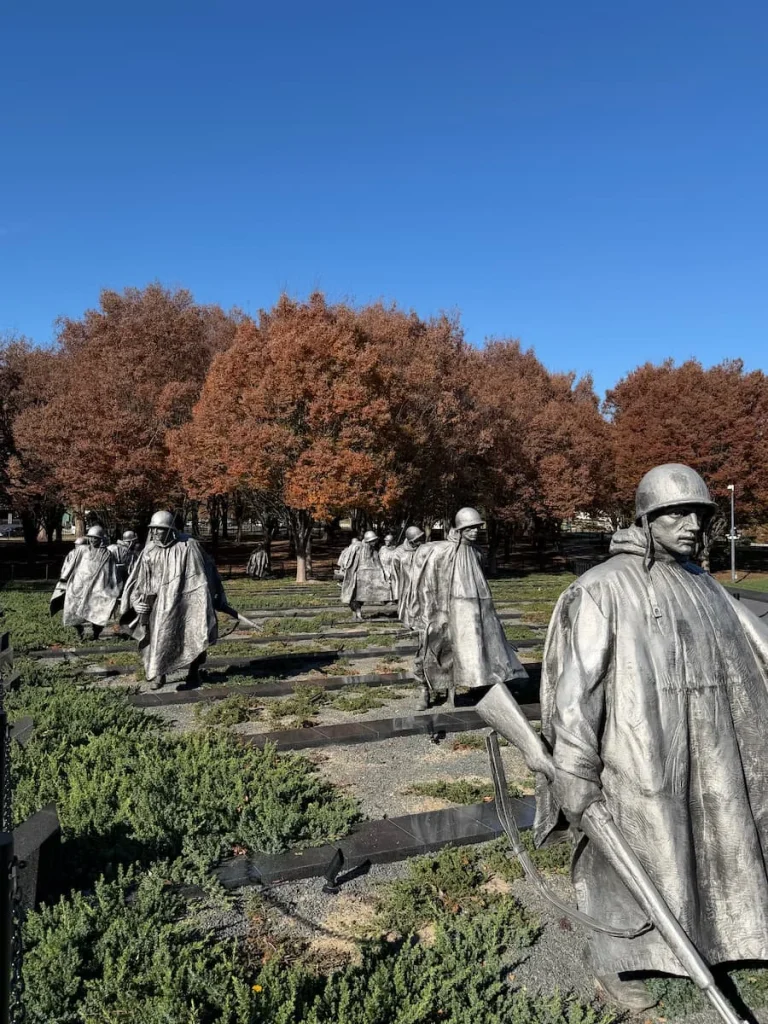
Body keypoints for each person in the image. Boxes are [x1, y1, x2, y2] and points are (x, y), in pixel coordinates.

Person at [534, 464, 768, 1009]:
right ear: (646, 517)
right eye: (676, 513)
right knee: (635, 850)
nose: (690, 525)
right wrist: (573, 765)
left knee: (717, 841)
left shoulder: (704, 584)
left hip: (711, 744)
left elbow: (754, 652)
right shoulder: (602, 587)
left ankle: (720, 936)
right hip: (637, 750)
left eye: (699, 515)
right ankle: (616, 958)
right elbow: (577, 686)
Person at [405, 507, 527, 710]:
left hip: (476, 611)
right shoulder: (441, 551)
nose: (475, 531)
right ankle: (424, 690)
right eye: (470, 528)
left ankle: (479, 686)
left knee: (479, 649)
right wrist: (427, 611)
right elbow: (427, 582)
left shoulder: (477, 553)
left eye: (477, 527)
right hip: (448, 609)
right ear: (460, 530)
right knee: (433, 650)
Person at [120, 510, 227, 690]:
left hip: (187, 602)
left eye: (159, 529)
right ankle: (159, 673)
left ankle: (193, 672)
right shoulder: (149, 550)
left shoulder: (189, 546)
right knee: (157, 637)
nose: (154, 533)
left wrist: (213, 596)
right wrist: (136, 600)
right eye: (152, 529)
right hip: (157, 605)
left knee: (193, 633)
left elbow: (206, 573)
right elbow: (138, 580)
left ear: (171, 530)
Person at [50, 525, 121, 640]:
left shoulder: (107, 554)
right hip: (79, 585)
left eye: (96, 538)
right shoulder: (81, 550)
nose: (93, 540)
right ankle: (79, 631)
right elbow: (71, 565)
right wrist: (64, 578)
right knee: (72, 609)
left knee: (98, 611)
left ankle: (96, 633)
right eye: (91, 537)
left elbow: (111, 571)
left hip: (97, 587)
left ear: (101, 539)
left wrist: (113, 587)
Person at [340, 529, 391, 621]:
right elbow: (348, 560)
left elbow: (377, 561)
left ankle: (358, 614)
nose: (374, 543)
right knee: (354, 596)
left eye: (375, 541)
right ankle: (356, 614)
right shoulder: (357, 547)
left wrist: (383, 573)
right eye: (372, 541)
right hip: (357, 576)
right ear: (368, 541)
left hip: (368, 577)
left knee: (362, 596)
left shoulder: (373, 550)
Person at [390, 525, 425, 622]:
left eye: (421, 539)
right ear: (410, 541)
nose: (420, 542)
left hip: (421, 583)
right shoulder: (398, 553)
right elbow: (394, 573)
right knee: (407, 605)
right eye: (417, 540)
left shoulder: (424, 549)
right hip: (406, 585)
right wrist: (395, 592)